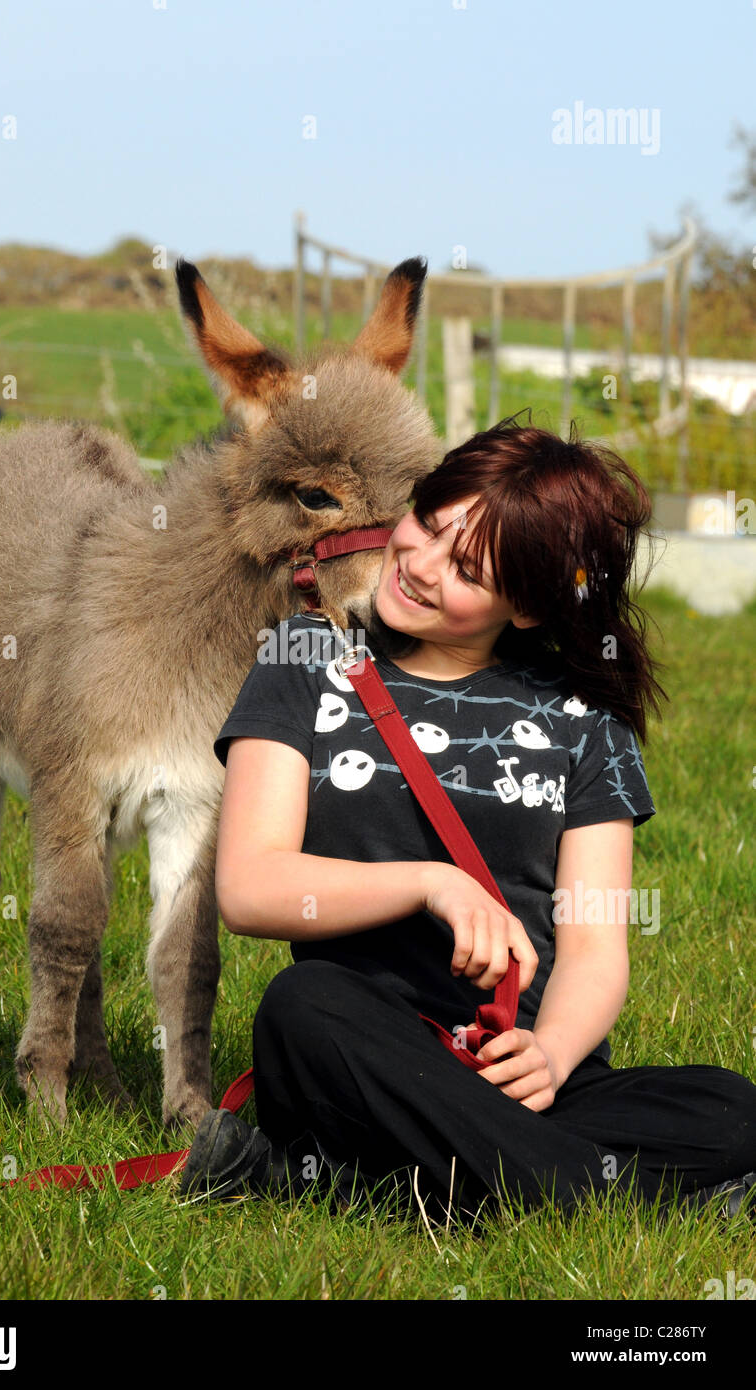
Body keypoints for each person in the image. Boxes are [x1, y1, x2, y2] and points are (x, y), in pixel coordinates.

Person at [181, 413, 756, 1226]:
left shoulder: (583, 716)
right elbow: (249, 887)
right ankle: (594, 1192)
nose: (418, 564)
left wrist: (551, 1054)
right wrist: (430, 884)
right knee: (299, 1006)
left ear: (523, 607)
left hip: (518, 1073)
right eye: (426, 523)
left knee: (732, 1107)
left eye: (466, 568)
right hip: (367, 1051)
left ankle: (359, 1181)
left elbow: (593, 944)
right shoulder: (304, 660)